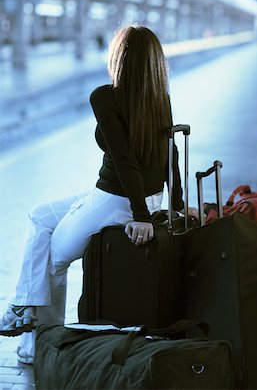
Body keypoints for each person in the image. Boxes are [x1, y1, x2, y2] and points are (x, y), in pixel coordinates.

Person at [0, 25, 197, 364]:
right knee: (39, 216)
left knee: (52, 260)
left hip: (115, 202)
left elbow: (124, 161)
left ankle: (40, 346)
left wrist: (141, 217)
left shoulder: (104, 96)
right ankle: (20, 305)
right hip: (131, 198)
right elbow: (172, 153)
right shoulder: (160, 99)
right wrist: (175, 206)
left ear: (118, 59)